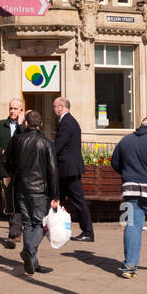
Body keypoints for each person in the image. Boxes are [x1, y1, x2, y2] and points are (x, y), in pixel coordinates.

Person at [3, 110, 59, 276]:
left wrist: (15, 173)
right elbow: (53, 170)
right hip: (39, 191)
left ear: (26, 123)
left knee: (28, 223)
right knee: (40, 224)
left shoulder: (16, 140)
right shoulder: (46, 143)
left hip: (21, 188)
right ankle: (28, 251)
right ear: (39, 124)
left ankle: (33, 263)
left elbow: (5, 161)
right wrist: (55, 195)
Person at [111, 115, 147, 279]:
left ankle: (129, 266)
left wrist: (127, 174)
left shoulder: (125, 140)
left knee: (131, 226)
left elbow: (115, 162)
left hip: (130, 191)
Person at [52, 97, 94, 243]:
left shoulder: (67, 122)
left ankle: (88, 232)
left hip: (69, 169)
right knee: (58, 199)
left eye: (55, 106)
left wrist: (46, 154)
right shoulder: (68, 121)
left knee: (78, 201)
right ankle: (54, 227)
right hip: (67, 169)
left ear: (61, 107)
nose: (53, 109)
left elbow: (58, 145)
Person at [0, 99, 24, 248]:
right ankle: (15, 232)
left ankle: (14, 233)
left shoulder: (24, 126)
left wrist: (22, 125)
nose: (12, 111)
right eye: (11, 108)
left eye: (16, 108)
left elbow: (28, 140)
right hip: (5, 170)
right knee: (10, 202)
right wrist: (1, 151)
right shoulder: (0, 126)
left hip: (22, 170)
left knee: (19, 201)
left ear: (21, 110)